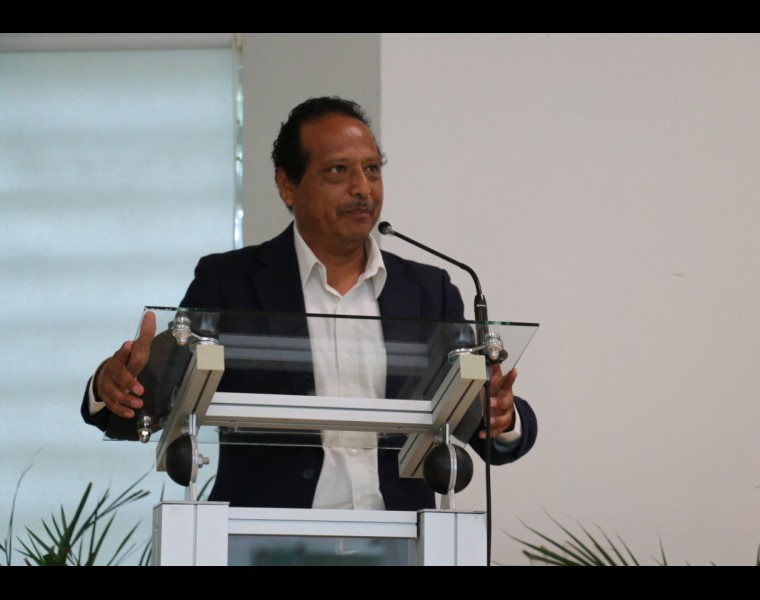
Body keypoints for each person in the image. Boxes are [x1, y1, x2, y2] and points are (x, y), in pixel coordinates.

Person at [81, 96, 537, 511]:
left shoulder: (428, 291)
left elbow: (483, 424)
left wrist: (502, 415)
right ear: (287, 185)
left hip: (402, 542)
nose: (362, 188)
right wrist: (112, 386)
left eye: (372, 170)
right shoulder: (229, 284)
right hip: (268, 542)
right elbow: (151, 403)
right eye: (338, 171)